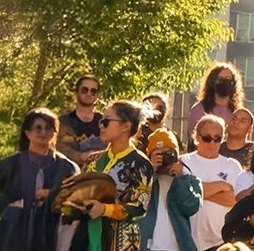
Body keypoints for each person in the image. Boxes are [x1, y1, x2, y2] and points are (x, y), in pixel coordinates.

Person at [0, 108, 78, 251]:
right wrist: (4, 206)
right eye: (38, 128)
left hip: (50, 235)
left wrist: (52, 194)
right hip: (13, 235)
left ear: (55, 132)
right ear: (27, 133)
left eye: (48, 128)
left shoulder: (67, 167)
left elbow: (77, 200)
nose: (43, 132)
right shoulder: (11, 164)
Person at [68, 99, 154, 251]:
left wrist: (104, 209)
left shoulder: (140, 163)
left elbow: (139, 207)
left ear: (125, 126)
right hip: (86, 236)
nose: (100, 125)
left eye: (106, 121)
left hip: (119, 241)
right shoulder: (94, 159)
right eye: (101, 120)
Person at [183, 113, 243, 251]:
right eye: (207, 138)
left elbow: (233, 199)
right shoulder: (184, 162)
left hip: (221, 241)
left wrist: (196, 192)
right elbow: (183, 196)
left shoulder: (232, 165)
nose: (212, 143)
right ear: (197, 137)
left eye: (217, 138)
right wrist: (221, 186)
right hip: (188, 239)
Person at [141, 127, 204, 251]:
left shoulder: (190, 180)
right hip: (148, 246)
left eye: (168, 154)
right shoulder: (144, 179)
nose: (164, 158)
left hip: (178, 247)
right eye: (159, 154)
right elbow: (137, 199)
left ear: (176, 155)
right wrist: (150, 171)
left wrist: (180, 179)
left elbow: (191, 207)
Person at [187, 64, 246, 143]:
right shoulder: (199, 109)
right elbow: (194, 140)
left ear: (234, 84)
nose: (224, 82)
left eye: (228, 79)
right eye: (220, 79)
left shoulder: (238, 112)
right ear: (212, 82)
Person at [59, 74, 106, 168]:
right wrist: (81, 157)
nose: (89, 94)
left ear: (97, 95)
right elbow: (60, 149)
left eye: (93, 91)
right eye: (85, 90)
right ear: (77, 92)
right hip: (70, 175)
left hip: (101, 175)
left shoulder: (105, 121)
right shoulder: (63, 122)